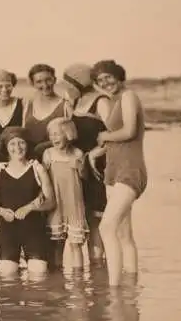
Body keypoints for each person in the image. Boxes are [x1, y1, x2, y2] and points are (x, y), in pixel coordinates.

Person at [91, 59, 148, 287]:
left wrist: (104, 136)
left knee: (107, 227)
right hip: (113, 171)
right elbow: (117, 138)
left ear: (118, 76)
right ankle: (130, 290)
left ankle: (113, 289)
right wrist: (97, 152)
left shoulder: (128, 96)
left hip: (130, 170)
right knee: (124, 235)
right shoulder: (114, 100)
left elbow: (130, 131)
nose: (105, 83)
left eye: (108, 77)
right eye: (100, 80)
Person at [0, 126, 55, 277]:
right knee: (7, 276)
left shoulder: (37, 169)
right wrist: (2, 211)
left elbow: (51, 202)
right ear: (6, 147)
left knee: (39, 275)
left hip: (33, 230)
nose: (17, 147)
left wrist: (30, 208)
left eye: (21, 143)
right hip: (8, 231)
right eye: (12, 144)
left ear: (27, 145)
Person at [63, 64, 111, 265]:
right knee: (81, 222)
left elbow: (116, 136)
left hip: (98, 168)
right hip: (79, 168)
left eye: (69, 84)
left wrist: (95, 154)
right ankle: (89, 278)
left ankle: (99, 272)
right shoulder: (74, 102)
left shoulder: (101, 102)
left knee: (97, 222)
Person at [42, 117, 88, 271]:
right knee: (56, 242)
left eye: (57, 134)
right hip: (56, 202)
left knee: (76, 244)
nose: (53, 138)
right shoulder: (48, 154)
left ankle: (78, 278)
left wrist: (80, 168)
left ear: (68, 134)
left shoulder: (77, 153)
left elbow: (85, 177)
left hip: (74, 202)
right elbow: (43, 179)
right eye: (51, 135)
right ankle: (56, 275)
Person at [23, 64, 72, 160]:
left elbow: (71, 137)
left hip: (56, 160)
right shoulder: (27, 104)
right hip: (30, 160)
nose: (45, 85)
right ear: (32, 83)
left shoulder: (65, 105)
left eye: (48, 80)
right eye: (39, 82)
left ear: (54, 80)